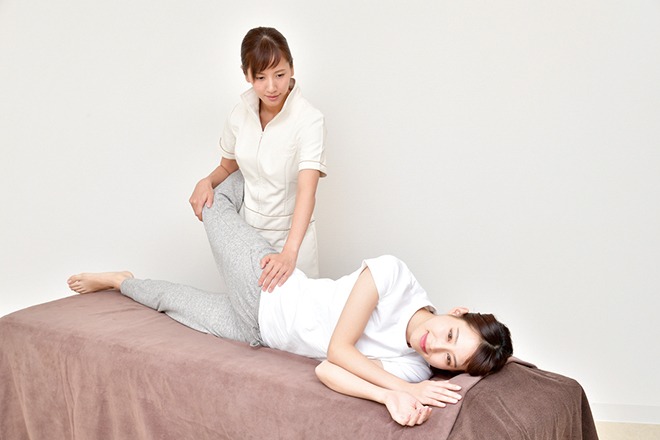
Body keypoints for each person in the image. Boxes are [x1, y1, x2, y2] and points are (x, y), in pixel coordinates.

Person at [68, 172, 513, 427]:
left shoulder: (414, 368)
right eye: (450, 334)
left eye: (448, 361)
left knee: (168, 300)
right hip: (266, 286)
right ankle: (250, 163)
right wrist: (403, 390)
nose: (435, 348)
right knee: (213, 205)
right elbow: (338, 350)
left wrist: (389, 396)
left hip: (256, 333)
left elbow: (326, 370)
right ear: (457, 312)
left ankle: (121, 281)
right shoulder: (394, 278)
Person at [189, 27, 326, 293]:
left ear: (292, 68)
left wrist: (289, 253)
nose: (272, 87)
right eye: (261, 77)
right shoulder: (239, 114)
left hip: (292, 240)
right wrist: (206, 181)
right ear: (247, 75)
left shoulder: (309, 121)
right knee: (248, 314)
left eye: (280, 74)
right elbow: (228, 166)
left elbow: (307, 191)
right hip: (248, 239)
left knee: (295, 315)